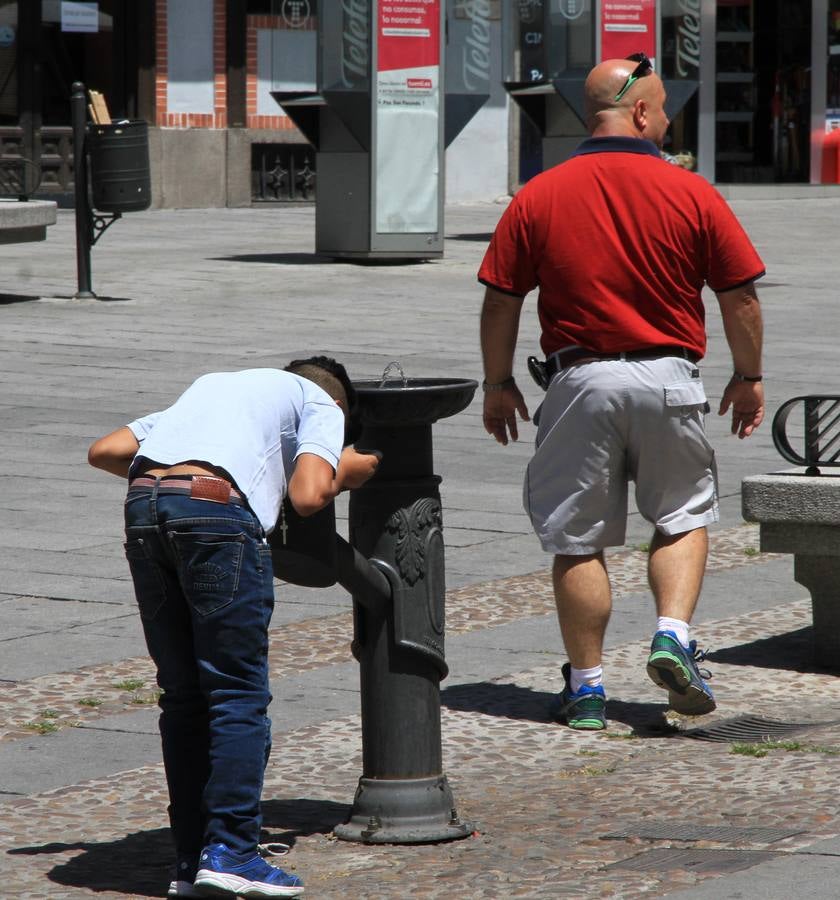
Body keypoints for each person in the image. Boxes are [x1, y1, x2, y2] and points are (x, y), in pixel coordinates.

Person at [477, 55, 765, 731]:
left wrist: (498, 385)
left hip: (578, 381)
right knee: (682, 517)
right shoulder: (690, 191)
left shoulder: (539, 194)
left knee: (577, 540)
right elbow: (740, 297)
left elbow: (500, 302)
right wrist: (748, 377)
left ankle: (586, 688)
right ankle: (672, 635)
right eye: (663, 110)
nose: (666, 121)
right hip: (668, 378)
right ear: (639, 113)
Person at [88, 357, 379, 898]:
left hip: (143, 505)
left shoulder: (213, 389)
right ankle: (233, 853)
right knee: (236, 693)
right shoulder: (321, 403)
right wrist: (347, 473)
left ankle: (190, 858)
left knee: (181, 696)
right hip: (216, 513)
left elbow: (104, 452)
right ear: (338, 406)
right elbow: (309, 495)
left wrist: (174, 489)